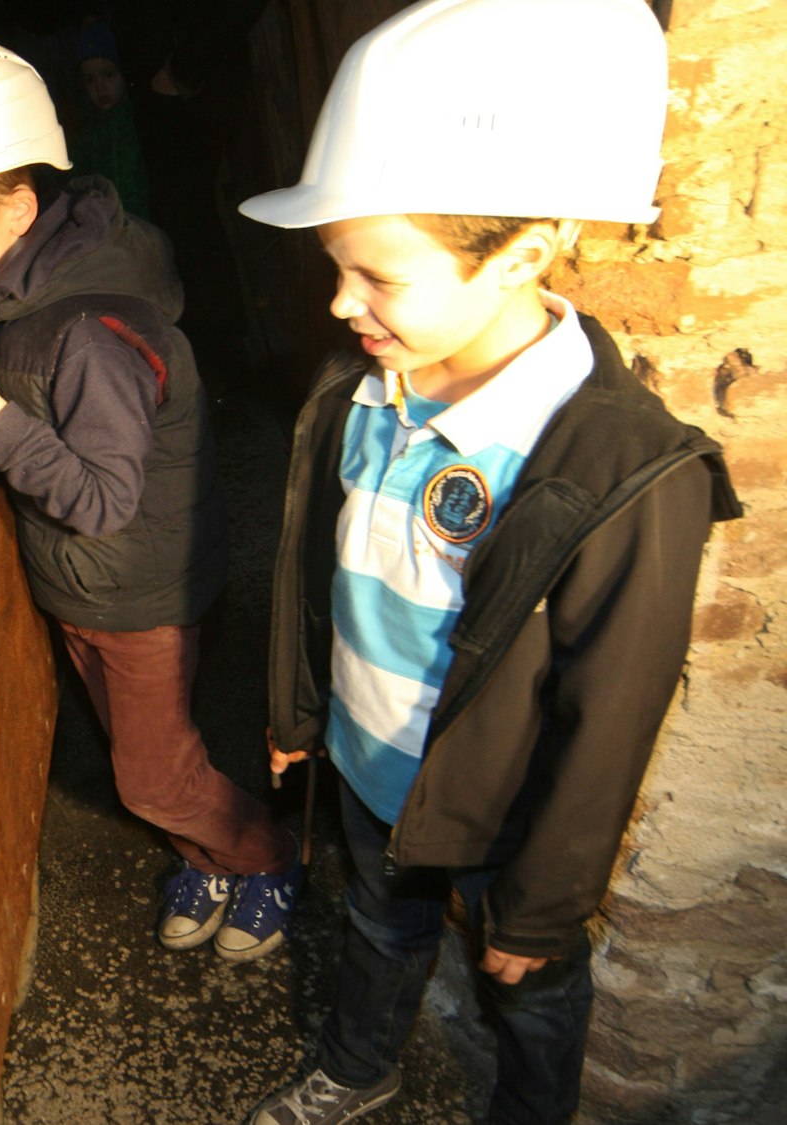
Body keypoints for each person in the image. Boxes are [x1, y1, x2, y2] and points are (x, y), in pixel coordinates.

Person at [237, 2, 742, 1122]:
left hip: (497, 816)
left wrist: (541, 908)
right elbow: (313, 574)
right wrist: (297, 703)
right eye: (334, 264)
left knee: (531, 997)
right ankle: (359, 1065)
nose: (338, 301)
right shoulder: (356, 386)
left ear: (518, 254)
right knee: (375, 924)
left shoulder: (623, 471)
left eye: (378, 275)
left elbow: (608, 716)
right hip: (369, 772)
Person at [0, 41, 302, 962]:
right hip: (89, 590)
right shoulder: (19, 286)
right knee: (152, 761)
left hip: (137, 593)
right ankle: (205, 854)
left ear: (18, 210)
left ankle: (271, 855)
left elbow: (98, 498)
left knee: (153, 779)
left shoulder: (88, 329)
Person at [64, 18, 154, 221]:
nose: (100, 87)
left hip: (144, 223)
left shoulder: (138, 121)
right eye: (90, 80)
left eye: (109, 75)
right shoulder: (87, 128)